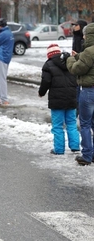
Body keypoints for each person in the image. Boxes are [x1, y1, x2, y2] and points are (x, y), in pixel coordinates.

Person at [38, 43, 80, 155]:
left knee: (57, 126)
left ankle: (59, 149)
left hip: (57, 100)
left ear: (49, 55)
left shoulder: (48, 65)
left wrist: (41, 92)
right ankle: (75, 146)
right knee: (71, 123)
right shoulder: (70, 62)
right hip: (71, 98)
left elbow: (46, 82)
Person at [66, 23, 94, 166]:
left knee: (85, 124)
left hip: (89, 91)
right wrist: (79, 57)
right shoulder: (87, 53)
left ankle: (87, 155)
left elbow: (77, 69)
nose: (83, 37)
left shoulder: (89, 51)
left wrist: (70, 60)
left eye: (85, 35)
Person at [0, 18, 14, 105]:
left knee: (1, 79)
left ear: (0, 26)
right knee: (0, 78)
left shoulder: (3, 34)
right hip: (6, 57)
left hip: (2, 57)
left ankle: (4, 99)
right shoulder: (8, 33)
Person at [71, 19, 88, 116]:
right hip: (76, 65)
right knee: (75, 90)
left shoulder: (84, 39)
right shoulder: (75, 37)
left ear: (81, 26)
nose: (74, 27)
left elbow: (85, 55)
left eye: (76, 25)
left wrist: (78, 56)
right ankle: (77, 111)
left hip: (81, 66)